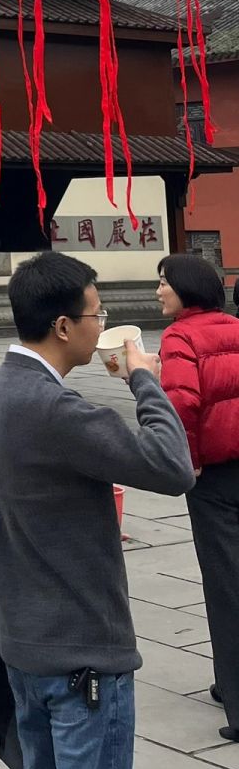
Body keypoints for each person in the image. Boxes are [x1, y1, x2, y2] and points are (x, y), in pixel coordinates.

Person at [0, 252, 194, 769]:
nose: (100, 322)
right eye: (96, 311)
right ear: (64, 325)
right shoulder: (57, 409)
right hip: (83, 650)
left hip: (22, 643)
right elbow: (172, 465)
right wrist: (144, 379)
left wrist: (33, 521)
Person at [155, 252, 239, 743]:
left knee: (227, 586)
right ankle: (226, 678)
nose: (159, 291)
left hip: (214, 479)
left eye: (163, 282)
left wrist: (184, 458)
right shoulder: (234, 326)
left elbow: (181, 402)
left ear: (185, 288)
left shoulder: (180, 337)